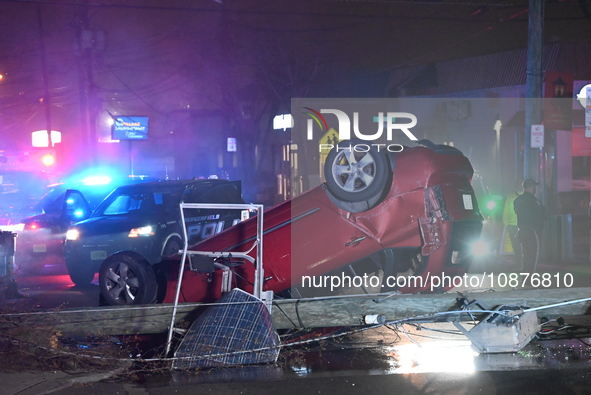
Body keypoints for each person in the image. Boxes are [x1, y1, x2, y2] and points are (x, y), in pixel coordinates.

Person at [513, 178, 546, 274]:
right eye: (534, 187)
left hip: (521, 230)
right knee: (533, 255)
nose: (535, 189)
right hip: (532, 231)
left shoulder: (517, 200)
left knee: (525, 255)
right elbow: (542, 213)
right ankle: (530, 277)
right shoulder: (533, 200)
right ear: (531, 187)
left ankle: (525, 276)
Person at [502, 179, 523, 268]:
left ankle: (522, 263)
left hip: (523, 225)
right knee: (516, 245)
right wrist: (506, 223)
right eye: (518, 183)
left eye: (522, 183)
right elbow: (506, 210)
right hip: (513, 225)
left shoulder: (527, 196)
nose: (520, 185)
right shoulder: (510, 196)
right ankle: (519, 263)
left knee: (523, 245)